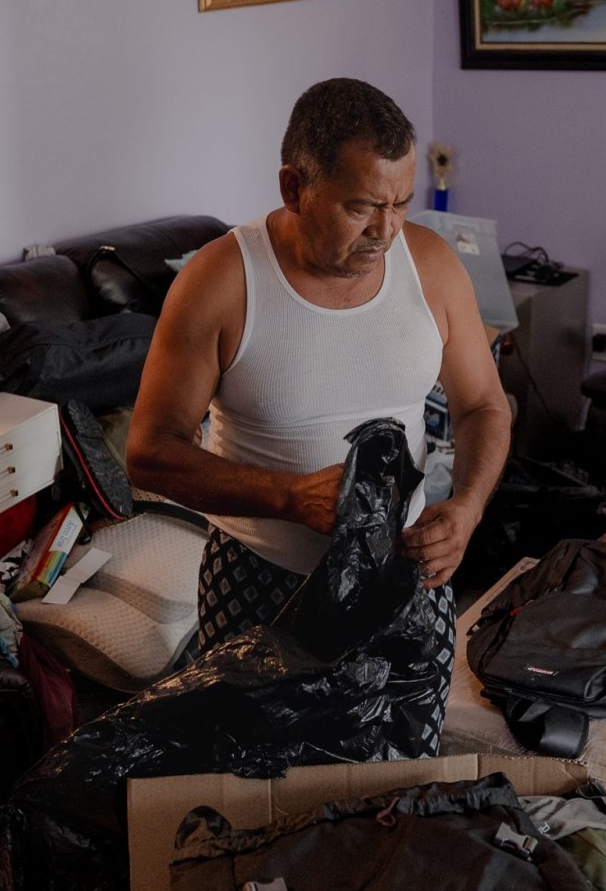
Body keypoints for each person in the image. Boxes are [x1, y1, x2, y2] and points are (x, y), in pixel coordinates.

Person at [127, 78, 512, 756]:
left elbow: (483, 405)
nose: (386, 231)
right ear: (294, 187)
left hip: (407, 571)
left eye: (400, 203)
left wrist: (469, 508)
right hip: (261, 582)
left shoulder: (430, 264)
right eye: (361, 207)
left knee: (399, 784)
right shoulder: (221, 281)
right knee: (264, 796)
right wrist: (284, 496)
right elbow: (150, 451)